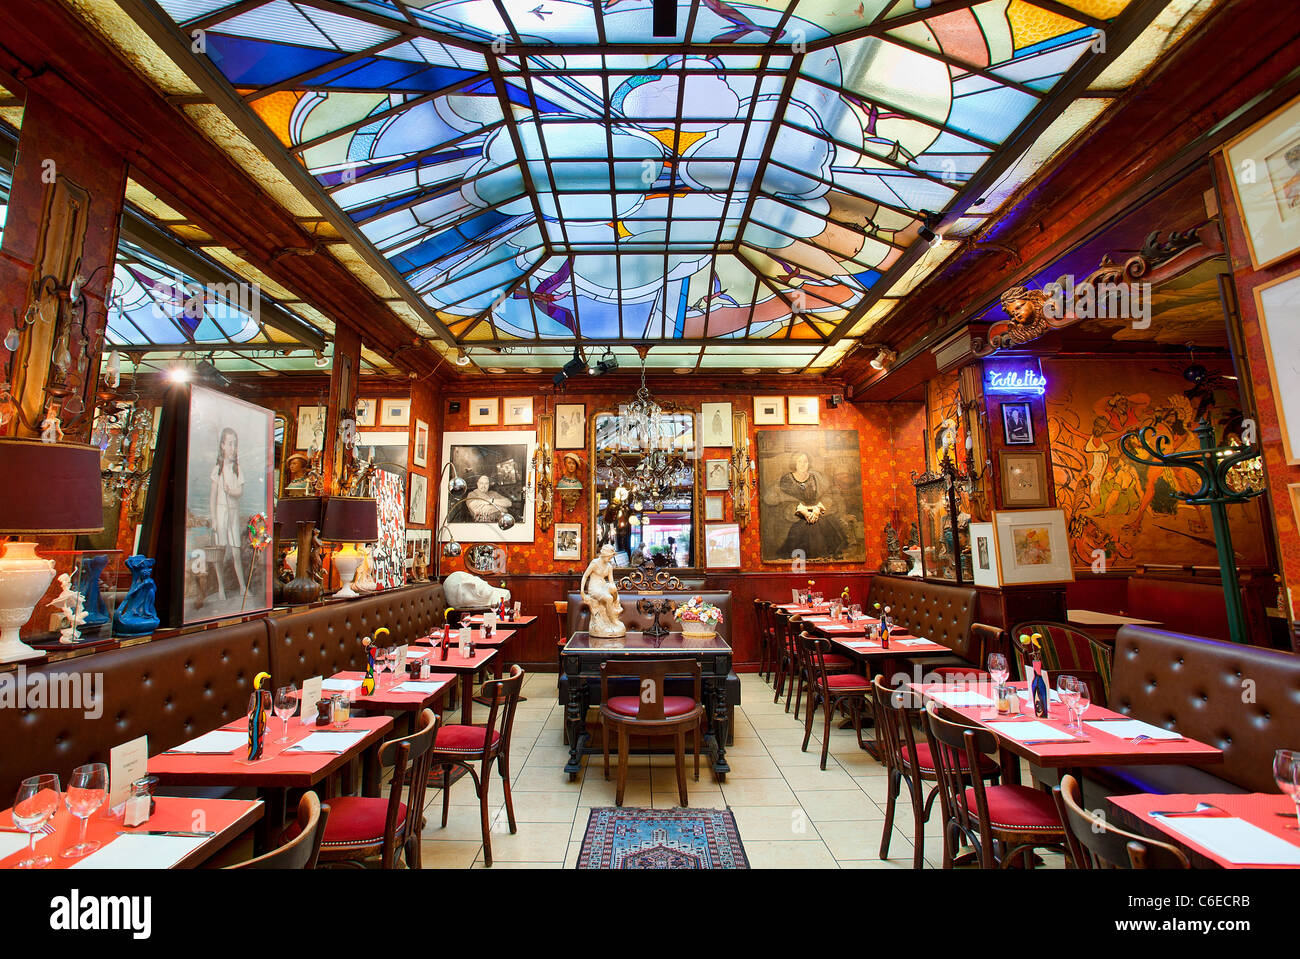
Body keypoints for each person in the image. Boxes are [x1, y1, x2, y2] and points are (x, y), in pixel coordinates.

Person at [771, 450, 848, 560]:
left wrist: (817, 509)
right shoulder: (787, 480)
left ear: (809, 463)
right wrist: (802, 510)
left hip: (815, 512)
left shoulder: (815, 478)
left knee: (821, 522)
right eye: (799, 461)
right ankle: (815, 557)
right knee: (809, 527)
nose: (802, 464)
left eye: (805, 461)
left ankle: (822, 558)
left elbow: (827, 496)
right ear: (794, 463)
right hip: (794, 515)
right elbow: (784, 501)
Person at [210, 426, 246, 594]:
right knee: (220, 550)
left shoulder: (237, 469)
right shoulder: (218, 469)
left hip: (233, 511)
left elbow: (239, 492)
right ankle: (221, 588)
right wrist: (214, 519)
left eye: (235, 444)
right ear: (223, 445)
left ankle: (242, 587)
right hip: (221, 511)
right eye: (230, 444)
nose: (233, 448)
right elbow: (212, 497)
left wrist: (230, 491)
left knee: (236, 551)